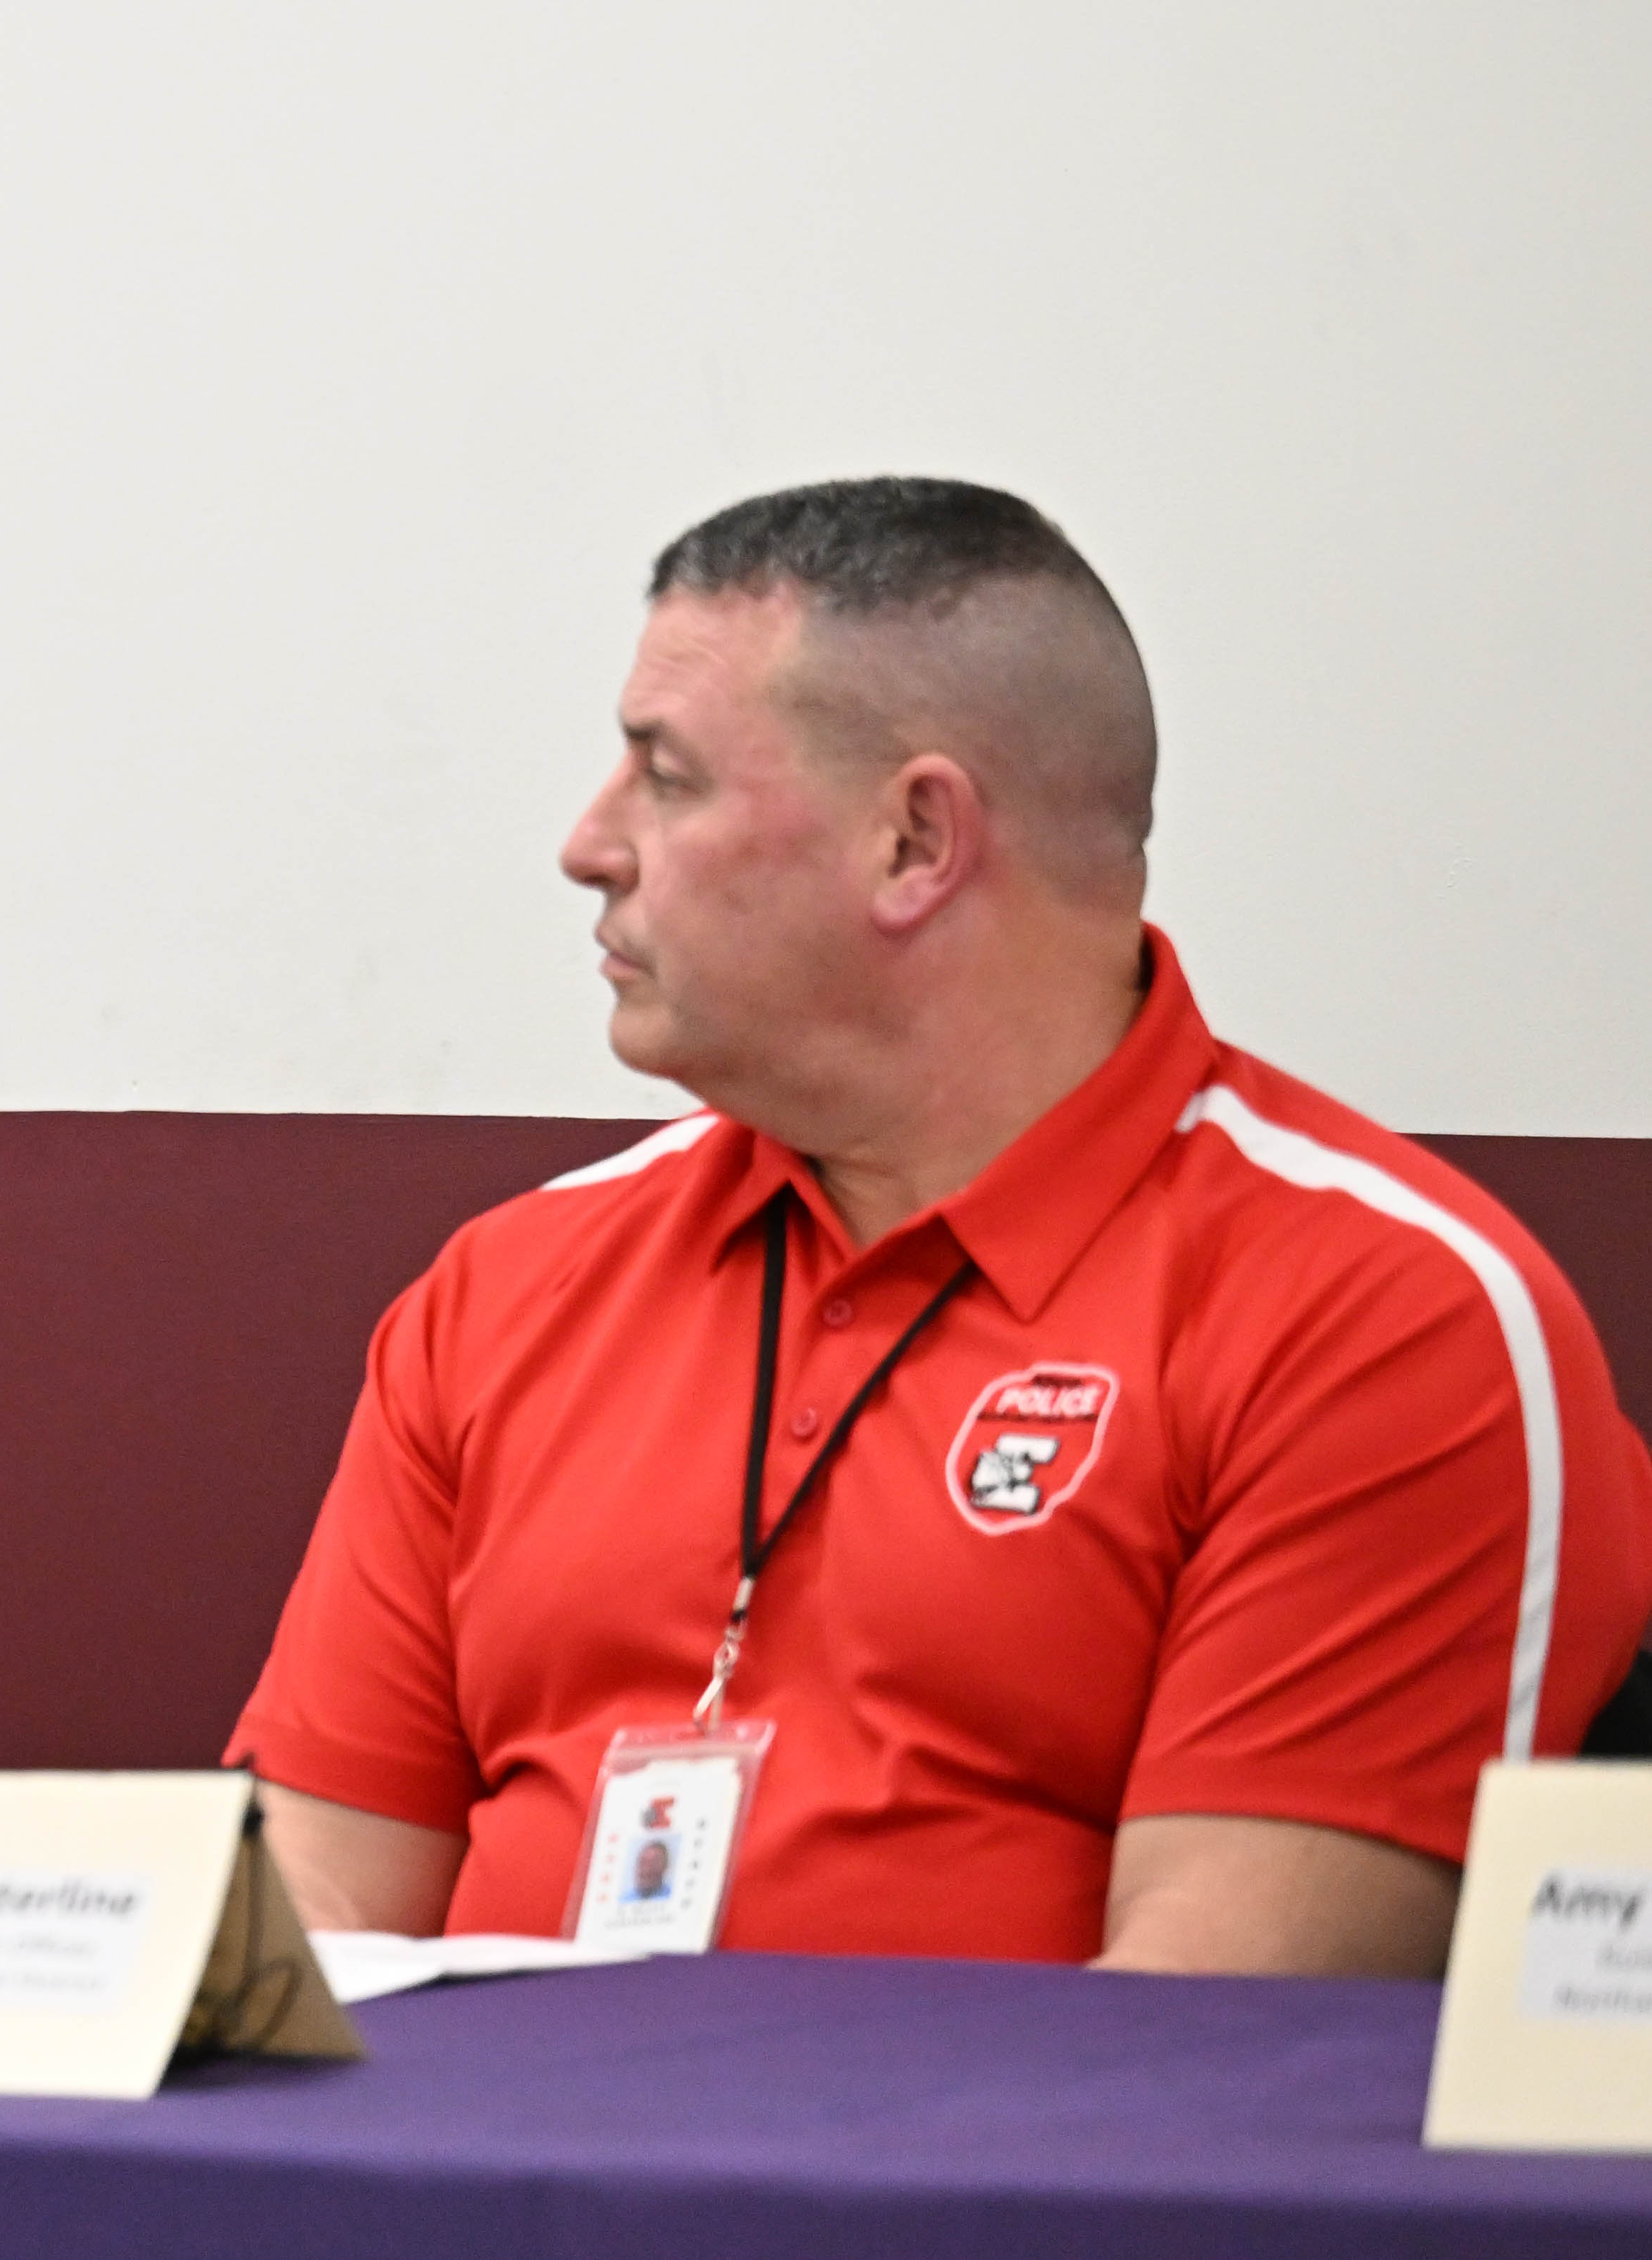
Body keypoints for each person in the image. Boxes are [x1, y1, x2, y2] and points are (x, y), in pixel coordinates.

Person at [232, 478, 1652, 1972]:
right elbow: (304, 1926)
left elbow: (1220, 2052)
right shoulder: (503, 1288)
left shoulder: (1379, 1313)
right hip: (469, 2196)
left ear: (916, 842)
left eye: (665, 775)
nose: (588, 842)